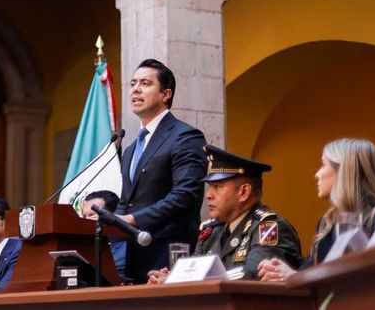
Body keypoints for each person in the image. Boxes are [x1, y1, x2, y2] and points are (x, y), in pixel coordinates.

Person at [147, 145, 302, 283]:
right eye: (210, 187)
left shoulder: (269, 227)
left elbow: (251, 275)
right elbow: (193, 271)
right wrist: (173, 278)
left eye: (217, 186)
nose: (209, 194)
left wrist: (181, 279)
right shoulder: (210, 231)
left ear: (243, 192)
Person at [115, 59, 207, 283]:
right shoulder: (129, 148)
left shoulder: (185, 137)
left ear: (166, 94)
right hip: (131, 254)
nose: (136, 89)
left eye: (145, 83)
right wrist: (109, 221)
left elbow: (185, 195)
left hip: (167, 253)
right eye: (133, 83)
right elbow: (128, 201)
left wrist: (133, 219)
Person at [258, 138, 375, 282]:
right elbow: (308, 274)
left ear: (344, 170)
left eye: (323, 165)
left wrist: (292, 276)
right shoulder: (327, 223)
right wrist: (281, 272)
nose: (317, 174)